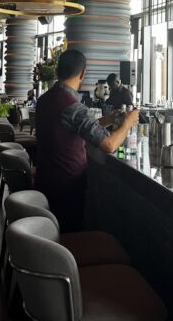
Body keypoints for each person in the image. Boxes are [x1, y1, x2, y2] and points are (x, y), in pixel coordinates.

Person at [35, 50, 138, 232]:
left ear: (57, 71)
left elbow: (72, 126)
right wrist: (128, 123)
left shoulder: (44, 99)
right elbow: (109, 145)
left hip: (45, 181)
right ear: (83, 73)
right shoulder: (72, 106)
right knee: (70, 235)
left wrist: (108, 120)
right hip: (66, 190)